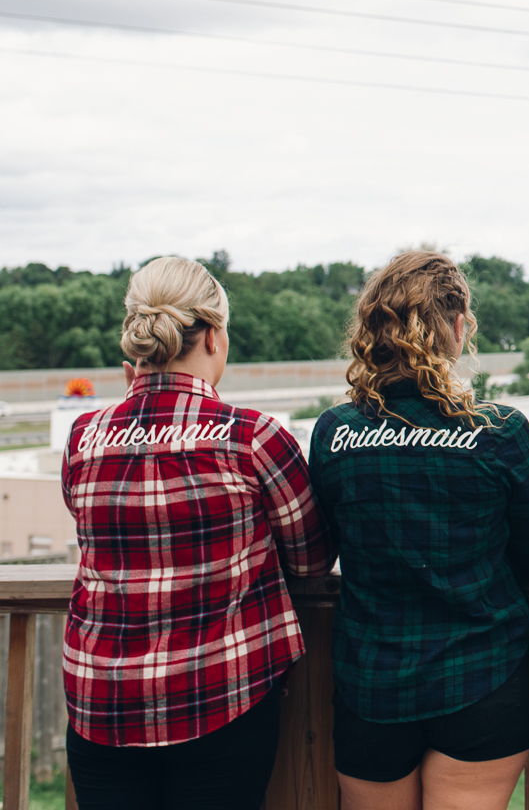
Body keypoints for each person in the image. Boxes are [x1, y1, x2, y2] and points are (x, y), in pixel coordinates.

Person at [62, 256, 335, 810]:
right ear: (213, 336)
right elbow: (310, 559)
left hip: (101, 704)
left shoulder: (83, 437)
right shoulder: (254, 438)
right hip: (221, 700)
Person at [308, 251, 529, 810]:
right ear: (459, 328)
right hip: (483, 672)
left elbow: (326, 543)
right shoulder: (499, 431)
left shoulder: (334, 431)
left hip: (373, 679)